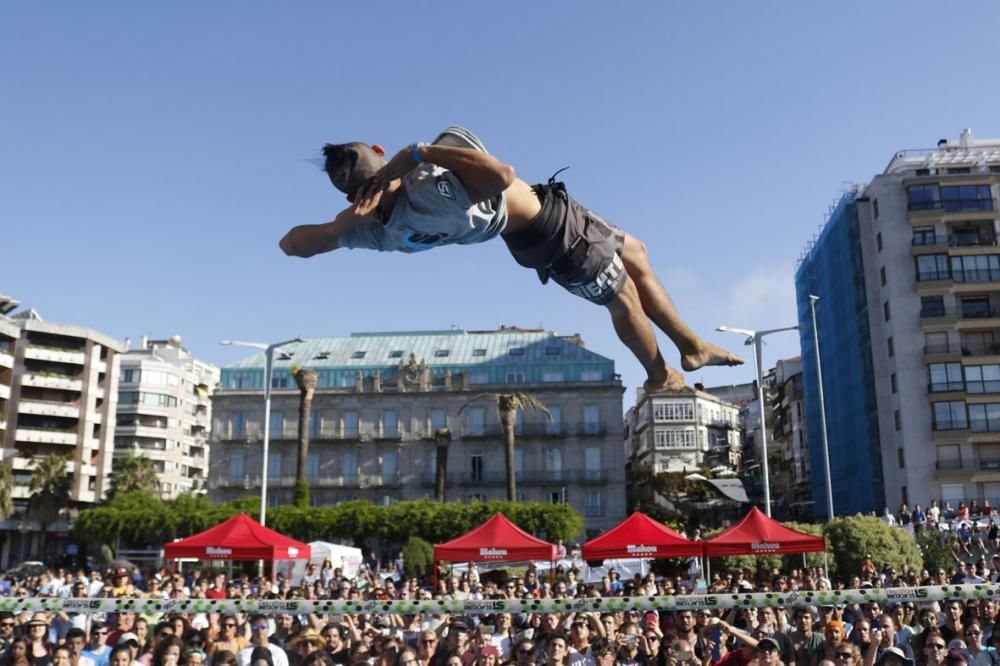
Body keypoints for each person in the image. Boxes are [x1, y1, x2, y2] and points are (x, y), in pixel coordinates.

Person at [278, 127, 744, 393]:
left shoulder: (378, 232)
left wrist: (341, 224)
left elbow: (291, 245)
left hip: (553, 210)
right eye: (377, 151)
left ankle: (691, 345)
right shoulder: (426, 188)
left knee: (636, 251)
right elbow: (502, 176)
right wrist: (418, 153)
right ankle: (660, 375)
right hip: (551, 235)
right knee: (623, 298)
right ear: (380, 153)